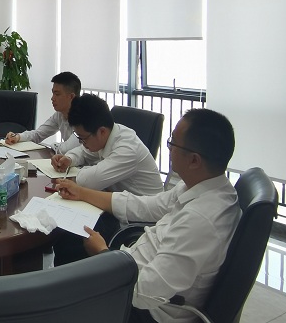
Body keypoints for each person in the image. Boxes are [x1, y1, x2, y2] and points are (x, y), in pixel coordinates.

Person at [56, 109, 241, 323]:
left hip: (143, 311)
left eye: (173, 143)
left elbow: (143, 293)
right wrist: (82, 193)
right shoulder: (201, 187)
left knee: (61, 294)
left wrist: (103, 254)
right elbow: (144, 206)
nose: (169, 149)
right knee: (72, 245)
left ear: (194, 160)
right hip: (132, 262)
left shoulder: (201, 221)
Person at [51, 94, 162, 195]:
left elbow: (90, 181)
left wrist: (73, 176)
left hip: (142, 208)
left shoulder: (127, 149)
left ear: (102, 132)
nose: (82, 143)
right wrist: (69, 159)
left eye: (83, 138)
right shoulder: (108, 135)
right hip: (117, 199)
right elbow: (83, 152)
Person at [5, 71, 80, 152]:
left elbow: (65, 149)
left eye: (57, 94)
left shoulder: (84, 118)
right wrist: (18, 137)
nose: (52, 98)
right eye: (53, 93)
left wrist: (53, 145)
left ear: (71, 96)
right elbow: (38, 134)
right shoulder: (59, 115)